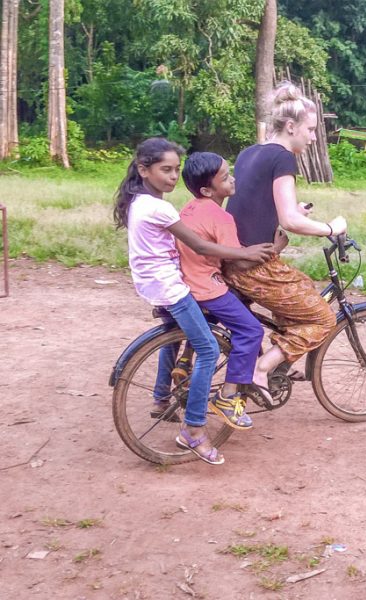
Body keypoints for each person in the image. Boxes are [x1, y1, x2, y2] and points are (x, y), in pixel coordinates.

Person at [113, 138, 273, 465]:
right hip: (172, 287)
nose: (173, 177)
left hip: (153, 284)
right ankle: (195, 428)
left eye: (175, 170)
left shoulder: (137, 200)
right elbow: (200, 245)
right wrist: (246, 252)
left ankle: (161, 398)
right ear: (144, 170)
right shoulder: (159, 207)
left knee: (175, 335)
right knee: (209, 349)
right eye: (165, 170)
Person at [225, 81, 346, 391]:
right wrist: (331, 228)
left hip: (232, 256)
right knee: (322, 318)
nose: (314, 137)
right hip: (253, 265)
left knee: (301, 287)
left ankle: (282, 361)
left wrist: (292, 212)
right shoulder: (283, 158)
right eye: (310, 129)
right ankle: (262, 368)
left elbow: (254, 203)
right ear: (291, 126)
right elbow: (289, 220)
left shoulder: (250, 152)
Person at [175, 152, 286, 430]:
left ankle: (182, 365)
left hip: (184, 283)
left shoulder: (190, 208)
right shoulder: (220, 216)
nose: (233, 179)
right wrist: (277, 248)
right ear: (207, 189)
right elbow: (239, 258)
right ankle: (228, 396)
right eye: (225, 177)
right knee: (251, 330)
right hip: (206, 286)